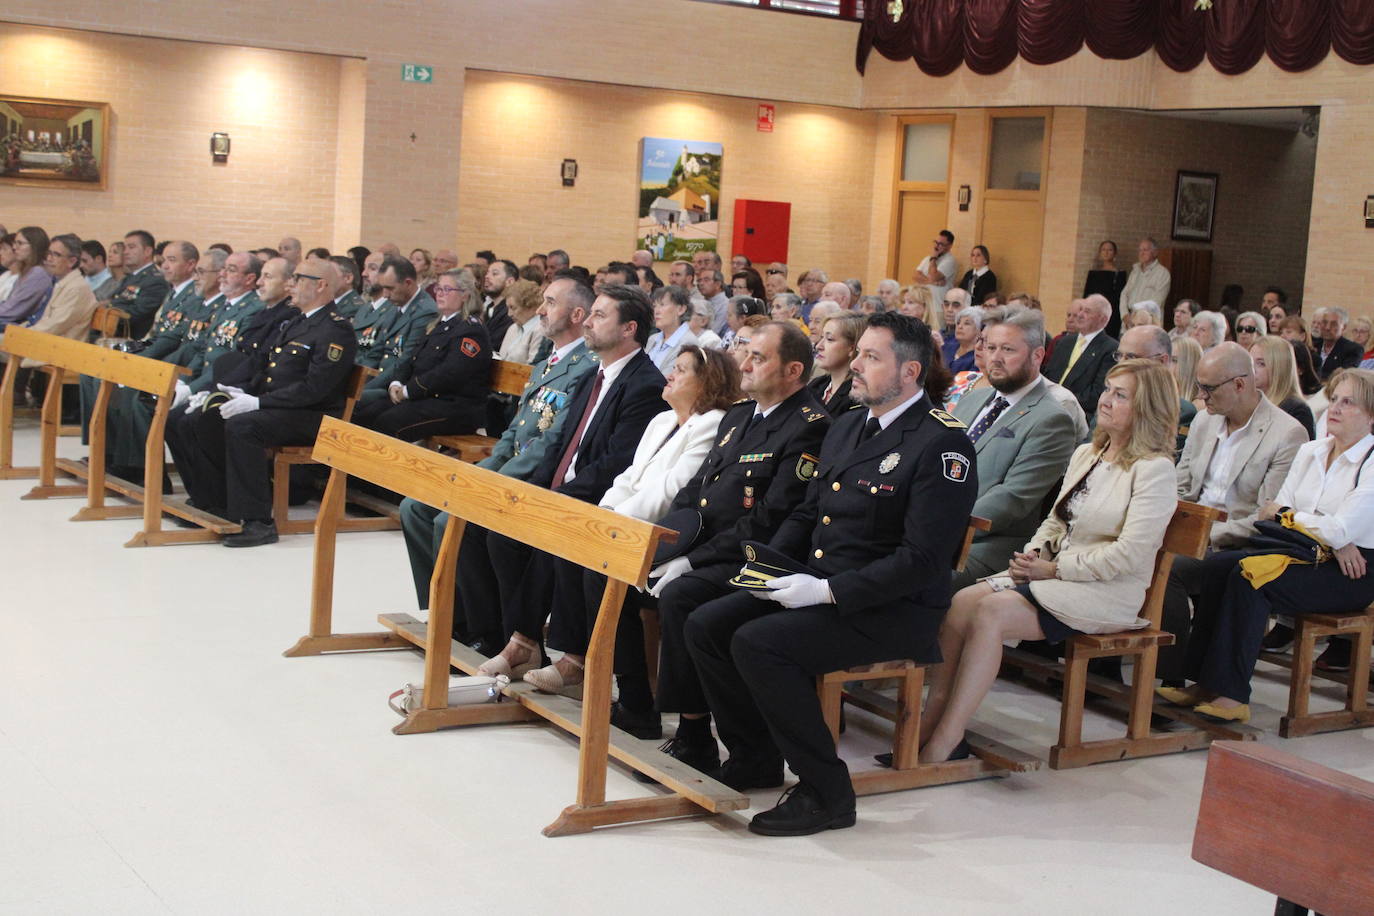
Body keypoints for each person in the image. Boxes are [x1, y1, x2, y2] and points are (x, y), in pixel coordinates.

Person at [683, 312, 976, 836]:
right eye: (857, 352)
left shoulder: (941, 444)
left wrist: (826, 591)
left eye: (871, 357)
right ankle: (754, 756)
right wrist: (762, 568)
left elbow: (921, 561)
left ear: (910, 373)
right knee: (707, 622)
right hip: (818, 583)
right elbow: (806, 512)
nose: (854, 366)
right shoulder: (847, 426)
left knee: (759, 643)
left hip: (887, 606)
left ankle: (827, 791)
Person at [923, 359, 1179, 762]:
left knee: (991, 613)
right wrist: (1034, 554)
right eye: (1108, 389)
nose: (1106, 401)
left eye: (1120, 395)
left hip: (1108, 591)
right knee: (960, 602)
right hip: (1057, 573)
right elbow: (1055, 520)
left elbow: (1130, 555)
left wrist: (1054, 569)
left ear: (1147, 408)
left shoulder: (1154, 471)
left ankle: (948, 737)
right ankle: (929, 718)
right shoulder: (1087, 454)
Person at [511, 348, 740, 718]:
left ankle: (629, 694)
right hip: (625, 524)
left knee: (599, 567)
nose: (670, 374)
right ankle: (576, 661)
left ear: (707, 381)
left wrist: (612, 527)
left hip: (664, 532)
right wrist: (605, 516)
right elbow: (628, 478)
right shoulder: (662, 421)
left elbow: (670, 492)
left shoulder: (713, 423)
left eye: (681, 370)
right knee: (572, 545)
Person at [469, 285, 668, 675]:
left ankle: (545, 650)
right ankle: (516, 639)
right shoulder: (592, 375)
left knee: (547, 535)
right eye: (590, 313)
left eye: (599, 316)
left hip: (603, 501)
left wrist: (557, 497)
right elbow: (560, 443)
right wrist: (539, 490)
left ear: (629, 329)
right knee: (495, 529)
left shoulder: (645, 384)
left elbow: (615, 464)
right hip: (566, 493)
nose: (589, 323)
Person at [1163, 369, 1374, 719]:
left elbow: (1333, 527)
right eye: (1334, 398)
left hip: (1350, 571)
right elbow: (1271, 511)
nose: (1334, 407)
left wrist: (1308, 525)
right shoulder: (1311, 451)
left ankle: (1232, 696)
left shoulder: (1371, 463)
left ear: (1371, 416)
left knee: (1250, 577)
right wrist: (1320, 529)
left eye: (1348, 402)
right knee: (1218, 568)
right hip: (1296, 551)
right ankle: (1202, 680)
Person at [400, 275, 597, 649]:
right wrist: (480, 473)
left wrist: (494, 481)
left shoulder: (586, 368)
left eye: (550, 303)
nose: (540, 309)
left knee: (449, 518)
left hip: (532, 479)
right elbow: (513, 433)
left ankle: (481, 629)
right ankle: (444, 611)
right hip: (507, 468)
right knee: (414, 508)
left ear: (576, 314)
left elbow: (549, 444)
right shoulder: (546, 364)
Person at [167, 258, 357, 547]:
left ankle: (258, 521)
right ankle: (216, 502)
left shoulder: (335, 329)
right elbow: (264, 369)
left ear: (320, 285)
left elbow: (314, 389)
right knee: (197, 417)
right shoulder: (296, 321)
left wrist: (257, 403)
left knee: (244, 427)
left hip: (313, 416)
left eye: (299, 278)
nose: (292, 284)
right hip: (279, 408)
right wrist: (228, 391)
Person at [1161, 342, 1306, 683]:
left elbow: (1267, 516)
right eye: (1200, 386)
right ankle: (1104, 664)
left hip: (1236, 542)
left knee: (1170, 571)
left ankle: (1169, 676)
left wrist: (1207, 536)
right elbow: (1181, 486)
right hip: (1192, 527)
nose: (1202, 396)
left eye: (1208, 388)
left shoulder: (1286, 434)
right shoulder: (1203, 422)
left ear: (1240, 384)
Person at [950, 308, 1077, 590]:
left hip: (989, 543)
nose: (995, 357)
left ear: (1037, 355)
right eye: (991, 347)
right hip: (936, 525)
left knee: (913, 578)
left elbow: (1013, 498)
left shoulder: (1051, 419)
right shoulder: (973, 398)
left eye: (1007, 349)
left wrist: (944, 522)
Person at [353, 268, 491, 441]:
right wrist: (397, 383)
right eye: (438, 289)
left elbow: (449, 374)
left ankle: (385, 468)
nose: (440, 294)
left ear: (465, 295)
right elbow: (411, 358)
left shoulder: (470, 330)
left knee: (388, 422)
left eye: (447, 290)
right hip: (426, 398)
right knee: (364, 411)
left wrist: (408, 391)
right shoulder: (439, 325)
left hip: (455, 406)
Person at [359, 256, 438, 399]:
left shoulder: (425, 311)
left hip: (396, 386)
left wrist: (360, 391)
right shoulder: (395, 305)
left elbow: (405, 361)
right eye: (383, 288)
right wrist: (353, 381)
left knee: (350, 401)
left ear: (408, 283)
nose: (385, 294)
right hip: (379, 379)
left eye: (390, 288)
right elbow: (375, 353)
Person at [1042, 294, 1118, 418]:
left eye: (1087, 311)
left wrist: (1060, 402)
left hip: (1077, 413)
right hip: (1046, 404)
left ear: (1103, 319)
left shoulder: (1110, 349)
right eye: (1080, 309)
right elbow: (1048, 375)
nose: (1080, 315)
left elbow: (1097, 393)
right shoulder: (1064, 342)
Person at [1250, 334, 1316, 439]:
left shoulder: (1297, 410)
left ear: (1279, 368)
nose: (1252, 369)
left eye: (1261, 364)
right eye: (1250, 362)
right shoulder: (1250, 403)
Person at [107, 230, 170, 339]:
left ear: (147, 251)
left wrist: (108, 310)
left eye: (131, 247)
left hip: (131, 340)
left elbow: (137, 314)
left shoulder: (155, 280)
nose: (125, 252)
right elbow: (114, 300)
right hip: (112, 333)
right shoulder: (132, 276)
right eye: (125, 248)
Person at [0, 226, 55, 332]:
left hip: (19, 329)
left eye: (20, 243)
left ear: (34, 246)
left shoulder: (38, 273)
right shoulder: (27, 271)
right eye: (15, 243)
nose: (15, 247)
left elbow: (14, 310)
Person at [808, 311, 864, 414]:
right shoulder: (816, 385)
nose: (819, 346)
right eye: (821, 338)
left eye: (829, 339)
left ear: (853, 348)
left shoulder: (858, 395)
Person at [1118, 237, 1171, 340]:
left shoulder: (1162, 274)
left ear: (1155, 252)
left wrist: (1136, 317)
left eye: (1145, 250)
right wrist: (1124, 315)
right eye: (1140, 250)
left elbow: (1156, 302)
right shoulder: (1135, 271)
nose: (1141, 253)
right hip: (1127, 323)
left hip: (1147, 325)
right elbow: (1124, 294)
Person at [644, 284, 698, 373]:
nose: (656, 311)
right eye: (655, 306)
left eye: (662, 305)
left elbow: (669, 379)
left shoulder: (689, 343)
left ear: (681, 309)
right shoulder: (653, 339)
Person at [1083, 240, 1128, 337]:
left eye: (1110, 250)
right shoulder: (1093, 274)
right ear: (1100, 253)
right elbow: (1087, 295)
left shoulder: (1120, 274)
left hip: (1113, 313)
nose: (1106, 252)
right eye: (1103, 250)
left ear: (1115, 253)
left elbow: (1121, 296)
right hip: (1094, 313)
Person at [494, 279, 545, 365]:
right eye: (508, 308)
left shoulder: (541, 329)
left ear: (530, 305)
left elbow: (532, 367)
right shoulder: (512, 328)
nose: (509, 314)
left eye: (513, 308)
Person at [1310, 307, 1362, 380]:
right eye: (1324, 322)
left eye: (1334, 324)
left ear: (1343, 327)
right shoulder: (1312, 344)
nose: (1327, 327)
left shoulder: (1353, 349)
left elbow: (1342, 377)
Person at [913, 230, 957, 309]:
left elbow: (933, 276)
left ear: (950, 246)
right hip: (923, 304)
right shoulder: (927, 258)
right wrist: (932, 282)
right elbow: (915, 276)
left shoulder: (950, 260)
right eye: (936, 242)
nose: (936, 246)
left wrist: (933, 258)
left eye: (941, 244)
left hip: (938, 306)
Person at [942, 305, 983, 374]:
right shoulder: (947, 346)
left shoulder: (978, 358)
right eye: (958, 323)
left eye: (967, 323)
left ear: (979, 331)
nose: (960, 326)